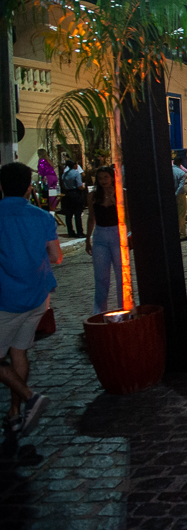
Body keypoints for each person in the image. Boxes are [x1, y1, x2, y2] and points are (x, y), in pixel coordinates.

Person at [0, 162, 57, 437]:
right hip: (38, 297)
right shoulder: (42, 217)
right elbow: (56, 256)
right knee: (18, 352)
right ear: (29, 187)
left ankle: (29, 396)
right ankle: (14, 414)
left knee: (9, 355)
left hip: (7, 299)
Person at [85, 167, 125, 314]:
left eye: (106, 177)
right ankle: (99, 312)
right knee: (101, 278)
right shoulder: (93, 196)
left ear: (112, 178)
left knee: (122, 276)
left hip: (116, 233)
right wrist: (87, 239)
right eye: (100, 178)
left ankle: (124, 309)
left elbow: (126, 213)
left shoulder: (121, 193)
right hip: (100, 234)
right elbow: (91, 218)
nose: (103, 181)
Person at [60, 159, 87, 237]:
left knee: (69, 215)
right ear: (74, 165)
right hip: (75, 193)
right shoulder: (76, 173)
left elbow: (63, 185)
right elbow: (79, 185)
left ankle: (70, 232)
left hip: (68, 193)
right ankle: (79, 232)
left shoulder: (64, 174)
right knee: (77, 214)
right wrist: (83, 187)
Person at [173, 155, 187, 241]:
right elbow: (181, 187)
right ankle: (182, 234)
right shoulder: (181, 173)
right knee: (181, 215)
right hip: (179, 195)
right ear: (181, 163)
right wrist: (176, 194)